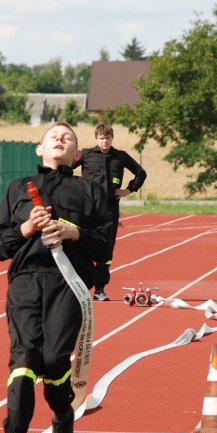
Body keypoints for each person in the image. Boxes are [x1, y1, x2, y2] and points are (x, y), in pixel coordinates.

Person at [0, 122, 111, 433]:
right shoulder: (18, 190)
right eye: (52, 136)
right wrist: (25, 228)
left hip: (68, 284)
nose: (60, 139)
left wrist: (74, 232)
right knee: (25, 359)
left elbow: (104, 246)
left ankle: (62, 416)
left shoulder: (90, 192)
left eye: (68, 137)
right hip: (25, 282)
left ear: (77, 155)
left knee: (56, 360)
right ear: (39, 149)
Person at [73, 123, 147, 301]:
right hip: (87, 210)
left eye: (107, 138)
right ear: (96, 138)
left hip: (109, 211)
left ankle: (100, 289)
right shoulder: (86, 155)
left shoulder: (120, 157)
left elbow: (141, 173)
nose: (104, 141)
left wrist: (128, 190)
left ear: (111, 138)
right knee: (81, 246)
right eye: (101, 138)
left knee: (105, 250)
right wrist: (75, 188)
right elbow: (66, 169)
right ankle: (80, 287)